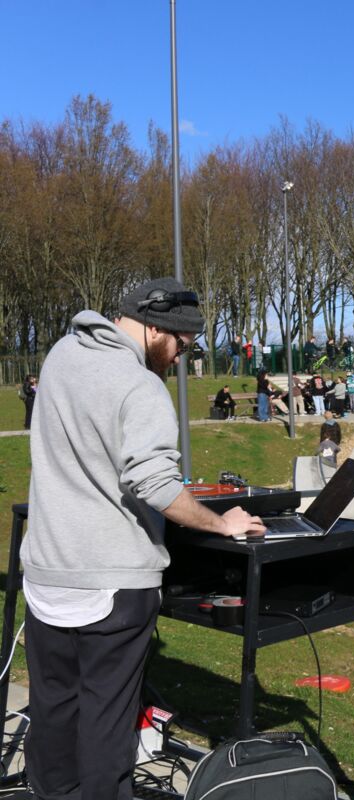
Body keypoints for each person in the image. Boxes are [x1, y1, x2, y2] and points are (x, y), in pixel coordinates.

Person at [21, 277, 264, 800]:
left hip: (46, 576)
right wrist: (222, 523)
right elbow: (152, 482)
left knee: (53, 715)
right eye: (182, 344)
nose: (179, 357)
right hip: (111, 584)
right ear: (156, 327)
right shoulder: (138, 383)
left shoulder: (62, 355)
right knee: (107, 728)